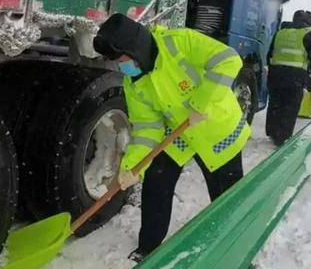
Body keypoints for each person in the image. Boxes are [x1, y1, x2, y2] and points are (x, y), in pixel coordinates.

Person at [93, 14, 251, 262]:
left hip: (215, 128)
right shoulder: (134, 83)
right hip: (179, 132)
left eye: (121, 59)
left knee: (226, 197)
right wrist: (132, 166)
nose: (121, 66)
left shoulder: (180, 42)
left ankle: (239, 252)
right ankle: (148, 248)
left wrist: (201, 102)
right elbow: (147, 128)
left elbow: (228, 60)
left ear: (136, 49)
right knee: (156, 185)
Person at [265, 10, 311, 146]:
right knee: (290, 106)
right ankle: (282, 138)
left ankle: (272, 132)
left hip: (275, 74)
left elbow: (270, 54)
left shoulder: (280, 32)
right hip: (295, 76)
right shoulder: (310, 35)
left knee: (275, 103)